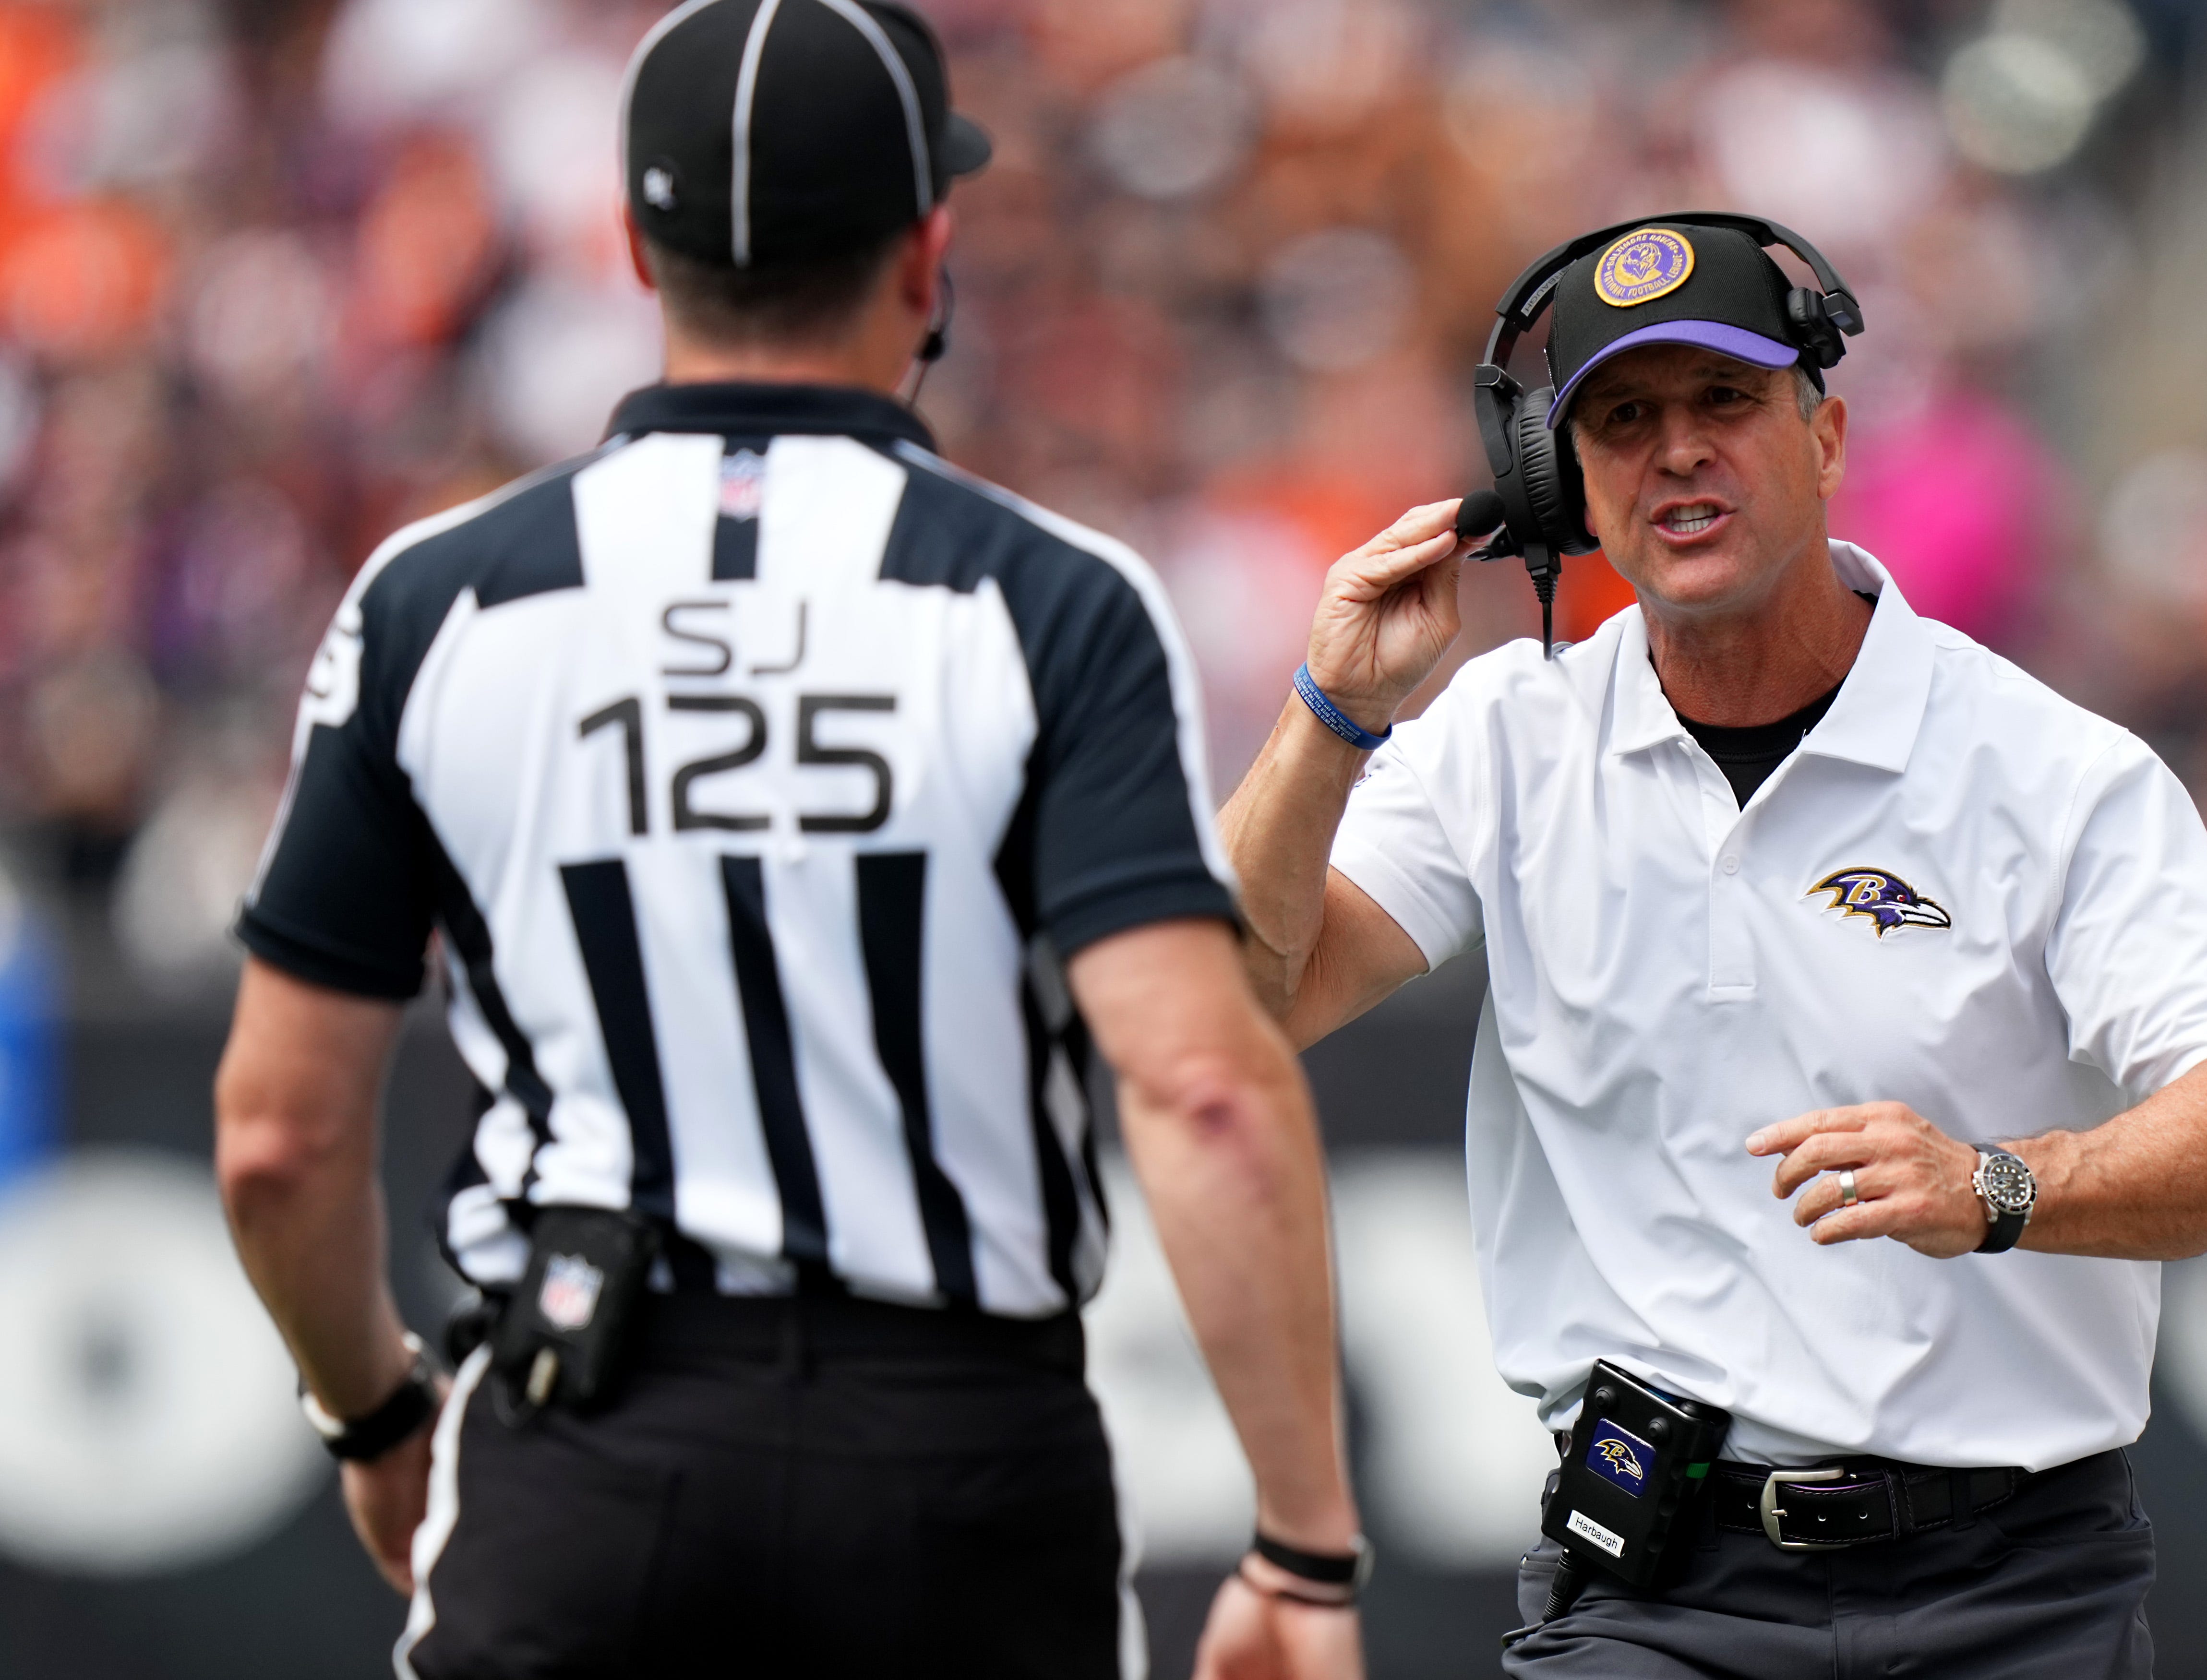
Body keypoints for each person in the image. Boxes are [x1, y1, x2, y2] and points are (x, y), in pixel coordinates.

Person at [212, 5, 1365, 1676]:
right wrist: (1301, 1550)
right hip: (957, 1464)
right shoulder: (1045, 597)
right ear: (926, 251)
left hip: (581, 1435)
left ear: (633, 245)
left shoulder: (441, 598)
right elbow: (1197, 1086)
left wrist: (372, 1415)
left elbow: (273, 1135)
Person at [1219, 216, 2207, 1676]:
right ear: (1564, 482)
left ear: (1823, 438)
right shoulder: (1502, 737)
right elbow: (1236, 1012)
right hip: (1650, 1595)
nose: (1676, 451)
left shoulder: (2051, 769)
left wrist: (1994, 1184)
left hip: (2012, 1590)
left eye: (1723, 403)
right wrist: (1326, 714)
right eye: (1622, 419)